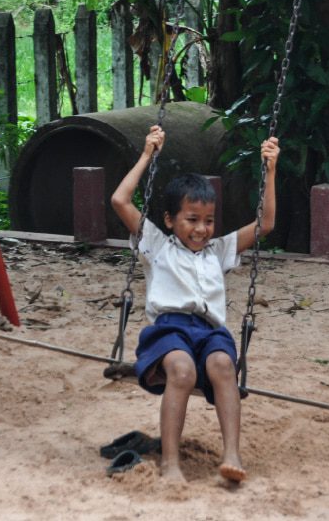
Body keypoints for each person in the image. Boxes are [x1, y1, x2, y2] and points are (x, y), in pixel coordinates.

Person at [111, 124, 279, 484]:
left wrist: (270, 170)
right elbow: (119, 201)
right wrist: (146, 155)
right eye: (191, 220)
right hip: (169, 330)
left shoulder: (218, 251)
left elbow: (266, 223)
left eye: (208, 221)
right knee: (183, 372)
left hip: (209, 331)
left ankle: (231, 454)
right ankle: (171, 463)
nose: (202, 229)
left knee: (222, 365)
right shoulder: (156, 244)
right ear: (170, 220)